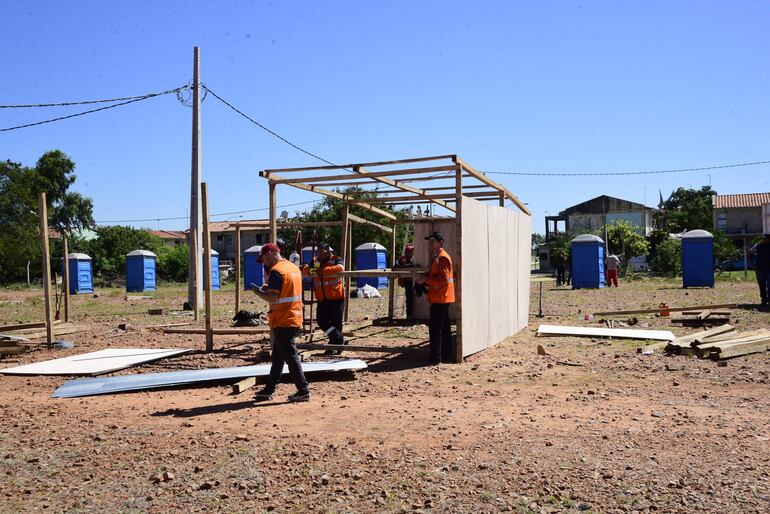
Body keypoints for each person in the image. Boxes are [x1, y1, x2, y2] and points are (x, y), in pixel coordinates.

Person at [251, 243, 310, 403]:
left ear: (269, 253)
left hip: (283, 319)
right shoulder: (292, 268)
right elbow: (285, 291)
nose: (263, 262)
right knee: (278, 357)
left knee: (291, 356)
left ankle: (303, 390)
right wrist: (268, 288)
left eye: (263, 258)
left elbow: (273, 297)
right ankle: (269, 389)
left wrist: (258, 292)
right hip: (293, 316)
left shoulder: (276, 271)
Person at [416, 232, 455, 363]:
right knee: (443, 329)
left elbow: (442, 280)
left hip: (441, 298)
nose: (431, 244)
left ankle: (435, 358)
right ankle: (446, 355)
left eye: (433, 241)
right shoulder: (438, 257)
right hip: (441, 297)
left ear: (440, 242)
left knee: (435, 329)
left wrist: (425, 280)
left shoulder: (442, 258)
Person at [301, 243, 347, 354]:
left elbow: (340, 268)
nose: (318, 254)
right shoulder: (316, 261)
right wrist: (314, 271)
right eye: (318, 251)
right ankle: (340, 339)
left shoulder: (336, 259)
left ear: (327, 251)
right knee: (322, 321)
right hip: (322, 298)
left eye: (320, 252)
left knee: (336, 323)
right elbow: (308, 271)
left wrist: (321, 271)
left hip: (336, 297)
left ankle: (334, 346)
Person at [394, 244, 417, 318]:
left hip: (416, 280)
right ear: (407, 252)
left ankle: (413, 315)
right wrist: (406, 267)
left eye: (412, 252)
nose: (411, 254)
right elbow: (395, 266)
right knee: (409, 298)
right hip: (407, 281)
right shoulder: (402, 259)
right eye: (410, 252)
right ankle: (409, 315)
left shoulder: (414, 259)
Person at [749, 233, 770, 310]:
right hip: (760, 269)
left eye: (765, 238)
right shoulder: (758, 246)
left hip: (769, 269)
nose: (763, 240)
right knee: (762, 286)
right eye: (763, 238)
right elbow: (750, 253)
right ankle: (764, 301)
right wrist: (752, 264)